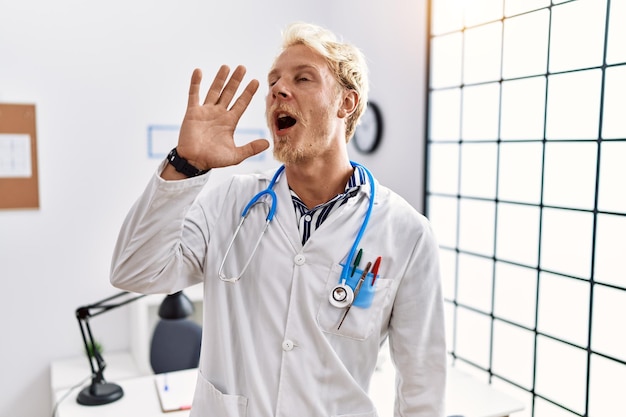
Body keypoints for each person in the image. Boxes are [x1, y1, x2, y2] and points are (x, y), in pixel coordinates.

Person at [111, 22, 446, 417]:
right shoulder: (229, 203)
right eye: (274, 81)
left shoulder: (406, 233)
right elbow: (133, 270)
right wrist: (186, 166)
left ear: (346, 104)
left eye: (302, 78)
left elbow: (422, 385)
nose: (277, 90)